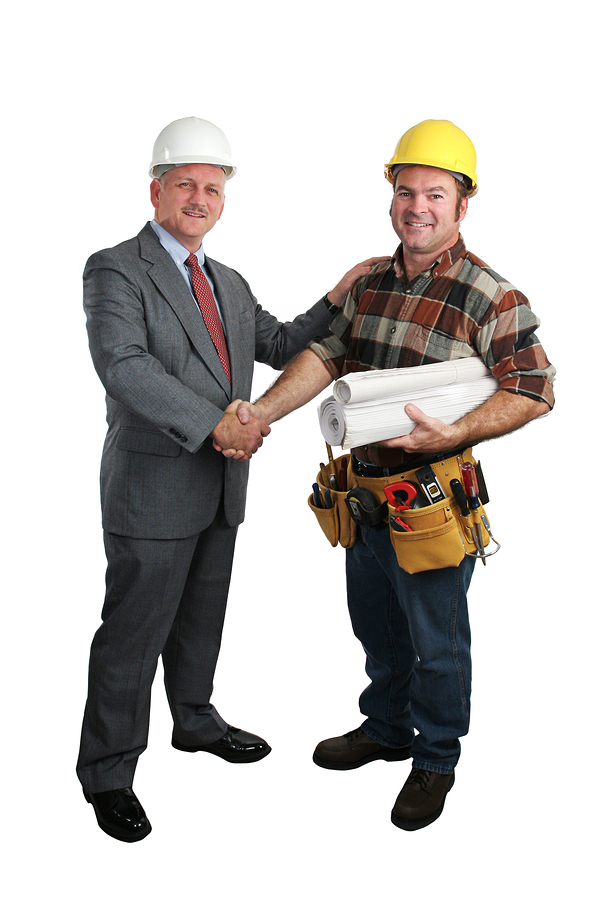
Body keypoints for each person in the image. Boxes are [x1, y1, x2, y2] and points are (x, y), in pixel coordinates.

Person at [219, 120, 556, 831]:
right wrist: (264, 416)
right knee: (376, 626)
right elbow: (327, 356)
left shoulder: (489, 295)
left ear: (463, 205)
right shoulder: (370, 281)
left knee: (438, 639)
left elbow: (533, 387)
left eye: (436, 194)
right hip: (363, 496)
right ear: (391, 197)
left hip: (432, 497)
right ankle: (387, 728)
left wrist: (459, 430)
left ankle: (435, 759)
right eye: (407, 192)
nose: (418, 207)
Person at [78, 115, 383, 842]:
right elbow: (124, 367)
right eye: (184, 183)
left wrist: (337, 298)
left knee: (199, 618)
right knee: (132, 634)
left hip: (220, 488)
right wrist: (216, 423)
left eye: (212, 187)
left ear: (223, 200)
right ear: (156, 191)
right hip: (152, 488)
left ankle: (195, 719)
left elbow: (277, 344)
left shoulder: (229, 281)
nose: (199, 197)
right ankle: (109, 772)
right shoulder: (116, 268)